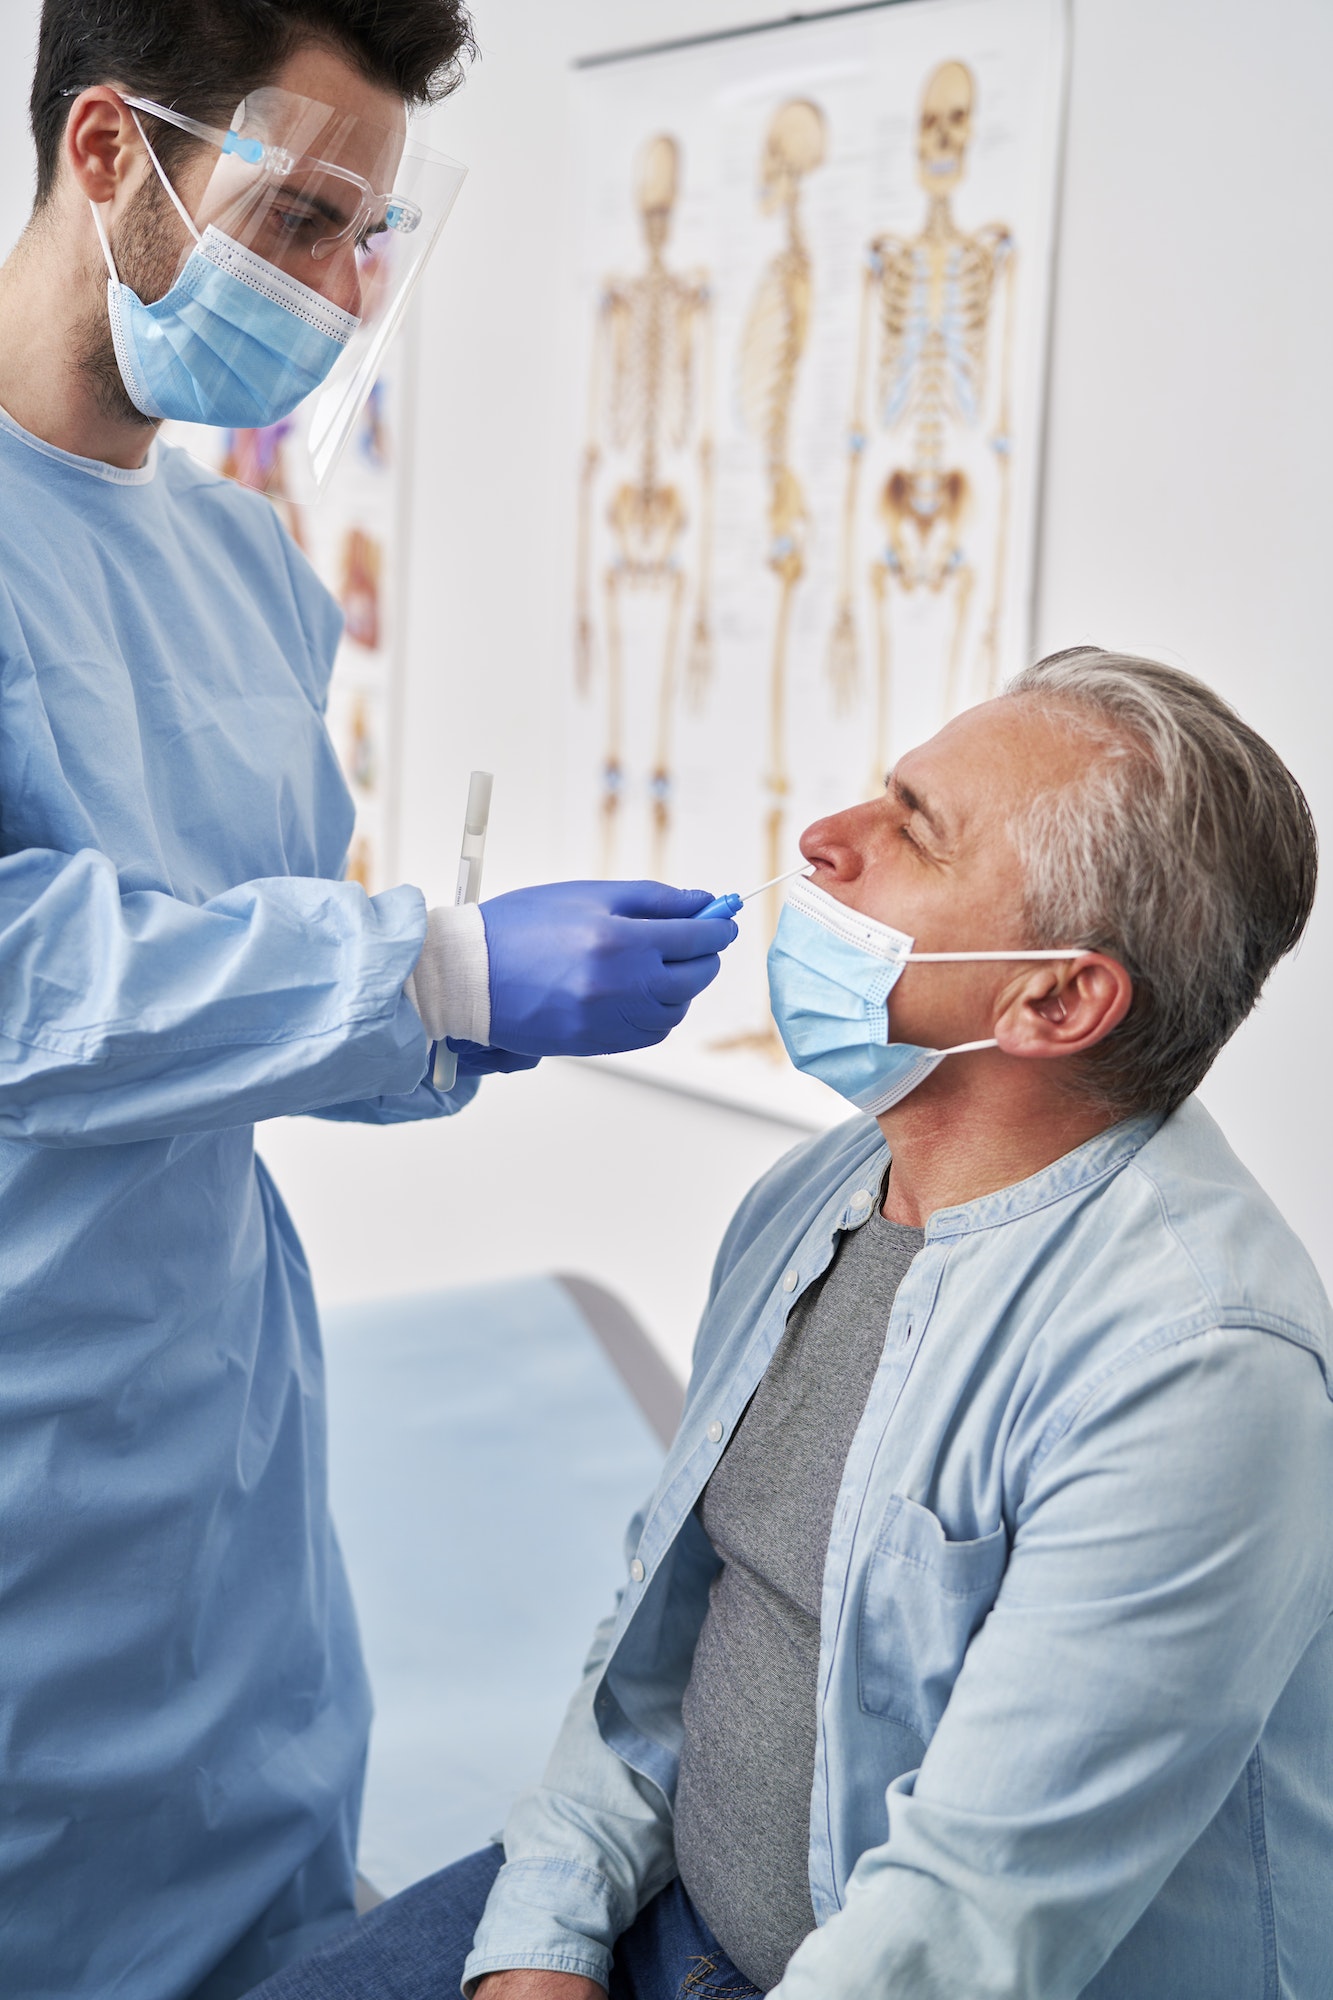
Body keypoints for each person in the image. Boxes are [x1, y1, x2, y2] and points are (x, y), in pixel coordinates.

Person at [0, 5, 737, 1997]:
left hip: (217, 1463)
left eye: (367, 239)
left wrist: (468, 1013)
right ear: (103, 153)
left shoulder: (248, 567)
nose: (333, 292)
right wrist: (428, 966)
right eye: (301, 217)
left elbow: (270, 994)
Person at [251, 650, 1332, 2000]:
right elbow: (658, 1626)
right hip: (673, 1909)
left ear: (1052, 1000)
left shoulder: (1198, 1367)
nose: (824, 838)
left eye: (911, 831)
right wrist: (544, 1933)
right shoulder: (818, 1193)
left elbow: (967, 1929)